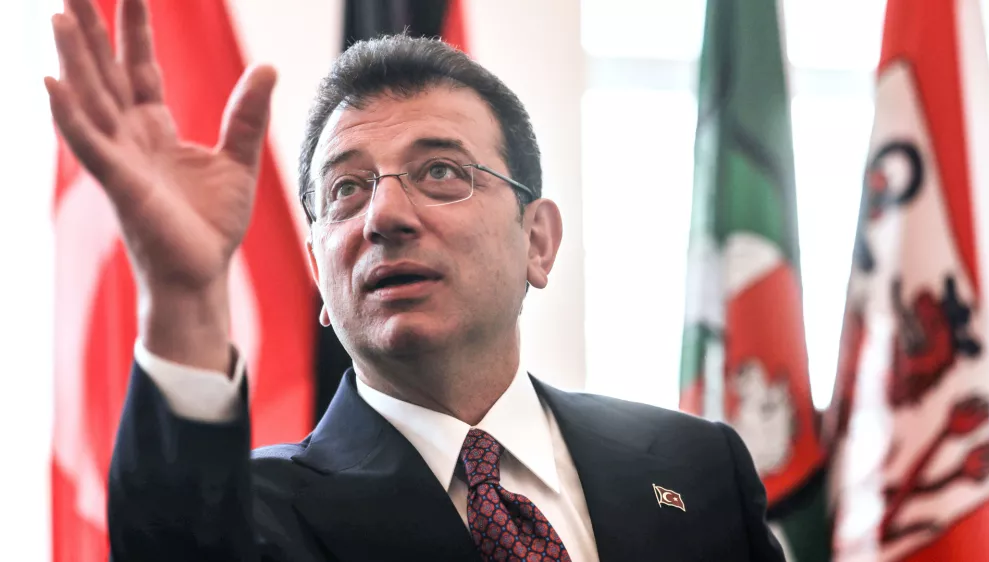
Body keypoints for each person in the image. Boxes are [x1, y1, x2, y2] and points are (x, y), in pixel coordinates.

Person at [47, 0, 786, 560]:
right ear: (319, 276)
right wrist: (182, 299)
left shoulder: (698, 465)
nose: (385, 216)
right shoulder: (254, 516)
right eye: (346, 189)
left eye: (441, 171)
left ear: (538, 242)